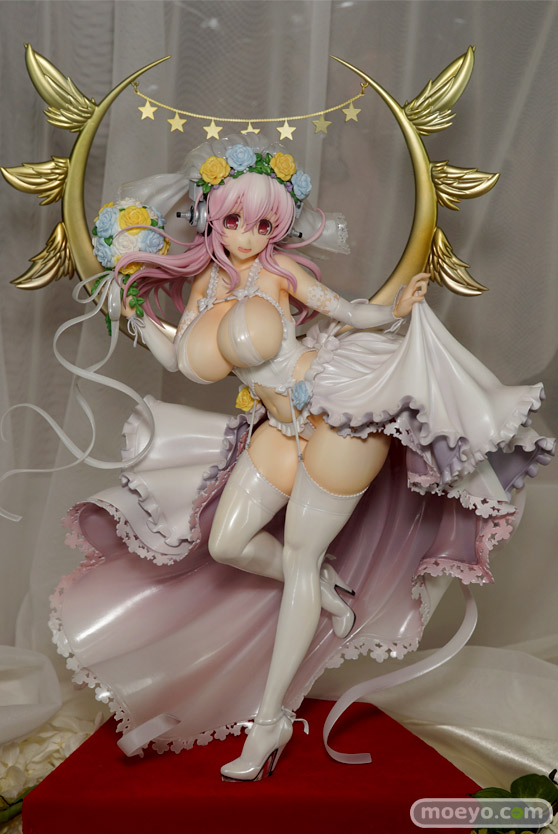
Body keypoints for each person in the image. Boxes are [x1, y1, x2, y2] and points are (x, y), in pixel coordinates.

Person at [50, 135, 553, 780]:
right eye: (235, 219)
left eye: (264, 224)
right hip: (277, 427)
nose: (248, 235)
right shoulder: (205, 283)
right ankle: (323, 587)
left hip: (339, 416)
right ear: (211, 216)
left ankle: (269, 723)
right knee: (228, 542)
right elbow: (178, 357)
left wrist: (393, 310)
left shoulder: (281, 274)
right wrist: (134, 312)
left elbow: (346, 310)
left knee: (298, 557)